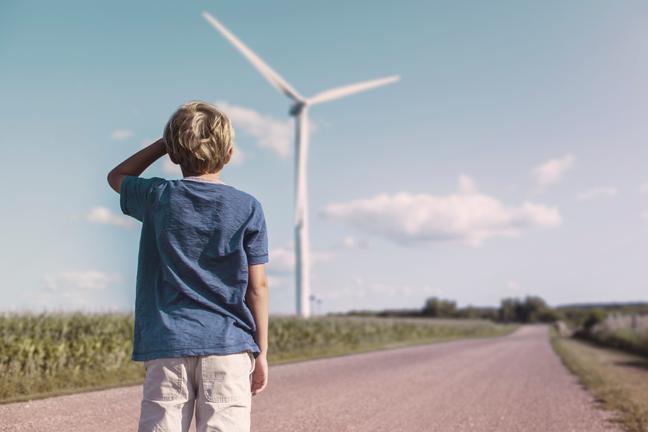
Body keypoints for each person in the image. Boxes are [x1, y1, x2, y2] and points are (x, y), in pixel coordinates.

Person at [107, 100, 269, 432]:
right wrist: (261, 352)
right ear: (229, 154)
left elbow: (117, 176)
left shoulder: (157, 196)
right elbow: (257, 288)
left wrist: (164, 144)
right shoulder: (248, 207)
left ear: (175, 155)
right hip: (229, 346)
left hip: (169, 344)